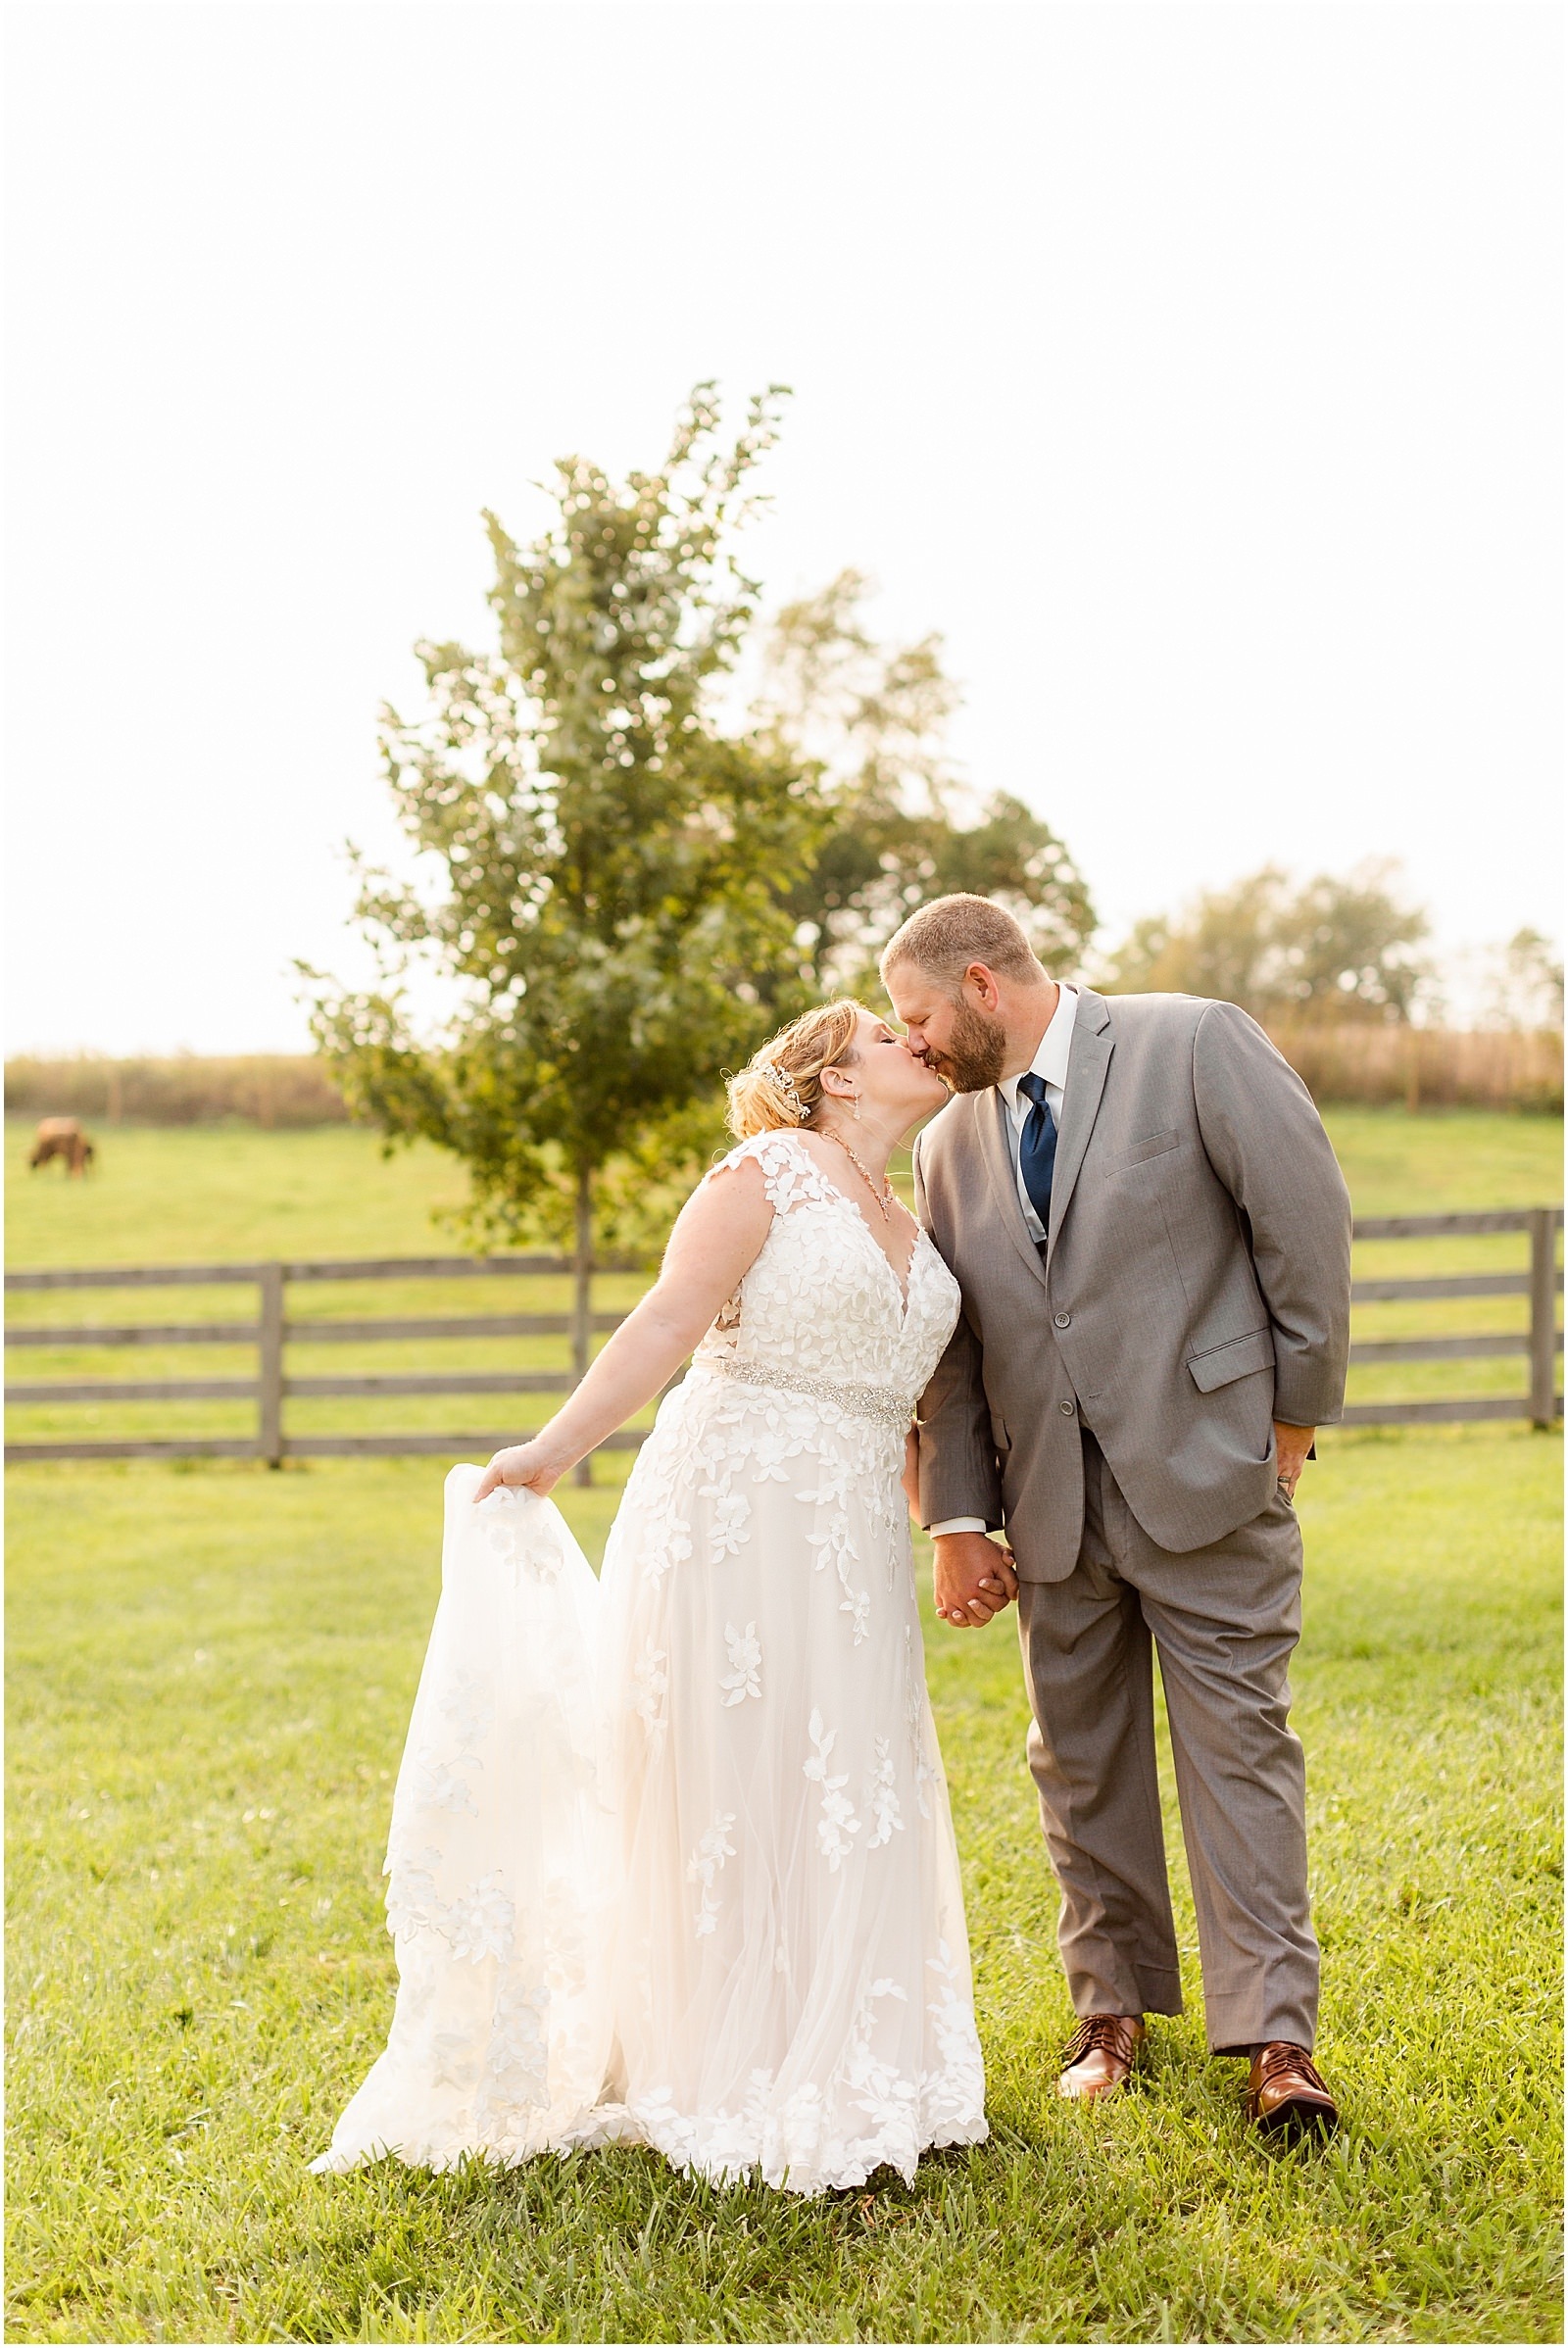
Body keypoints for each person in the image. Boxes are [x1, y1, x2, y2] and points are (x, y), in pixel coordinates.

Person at [311, 1002, 994, 2195]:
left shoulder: (913, 1212)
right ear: (831, 1078)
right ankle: (710, 2049)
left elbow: (895, 1401)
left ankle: (844, 2044)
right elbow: (668, 1319)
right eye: (888, 1033)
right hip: (731, 1509)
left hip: (845, 1538)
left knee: (847, 1774)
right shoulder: (764, 1173)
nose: (916, 1042)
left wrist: (956, 1528)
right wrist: (553, 1449)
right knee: (730, 1769)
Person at [881, 895, 1352, 2136]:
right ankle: (1112, 2013)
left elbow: (1301, 1225)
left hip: (1209, 1471)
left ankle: (1273, 2039)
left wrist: (1293, 1416)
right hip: (1049, 1503)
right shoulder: (944, 1146)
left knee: (1239, 1750)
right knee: (1076, 1763)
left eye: (918, 1016)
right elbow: (960, 1354)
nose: (913, 1044)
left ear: (982, 984)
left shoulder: (1193, 1041)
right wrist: (961, 1517)